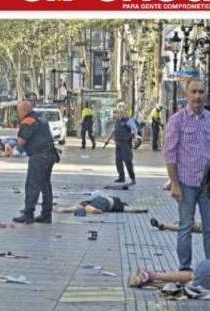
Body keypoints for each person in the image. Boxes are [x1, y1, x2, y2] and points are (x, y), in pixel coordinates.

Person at [164, 78, 210, 272]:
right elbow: (170, 153)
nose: (197, 96)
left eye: (201, 92)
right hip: (186, 182)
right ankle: (184, 268)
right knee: (185, 227)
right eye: (194, 92)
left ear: (206, 94)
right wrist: (174, 183)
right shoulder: (177, 121)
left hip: (208, 185)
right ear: (187, 94)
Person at [13, 94, 58, 224]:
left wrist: (11, 149)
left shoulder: (28, 121)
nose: (18, 114)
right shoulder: (40, 117)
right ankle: (46, 214)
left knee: (32, 185)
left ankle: (28, 214)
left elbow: (21, 141)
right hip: (50, 155)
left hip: (39, 157)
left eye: (19, 111)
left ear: (24, 111)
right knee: (45, 185)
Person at [104, 105, 138, 184]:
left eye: (120, 113)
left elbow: (134, 129)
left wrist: (135, 138)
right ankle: (121, 177)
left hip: (126, 143)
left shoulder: (128, 120)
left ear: (124, 114)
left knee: (127, 161)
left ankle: (132, 178)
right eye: (117, 113)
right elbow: (114, 131)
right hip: (118, 144)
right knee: (118, 161)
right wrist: (107, 140)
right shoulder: (117, 122)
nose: (118, 115)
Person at [54, 193, 148, 215]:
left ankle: (63, 209)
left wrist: (142, 209)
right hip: (105, 204)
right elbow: (131, 209)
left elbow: (131, 209)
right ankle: (95, 210)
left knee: (79, 206)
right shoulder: (120, 206)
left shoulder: (117, 202)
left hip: (98, 199)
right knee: (87, 207)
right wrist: (142, 209)